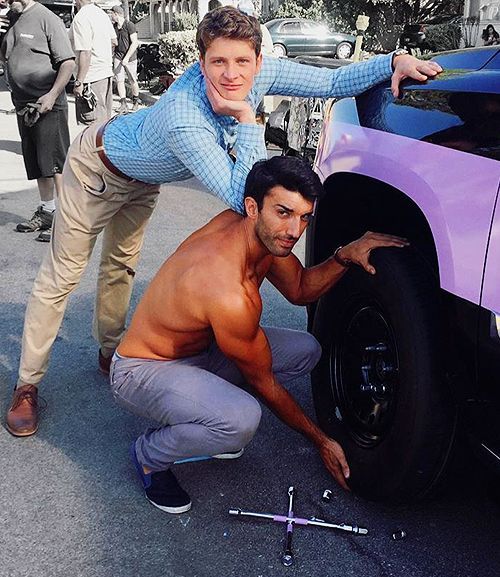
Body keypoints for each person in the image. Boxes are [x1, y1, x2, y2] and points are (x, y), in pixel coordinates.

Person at [6, 6, 442, 437]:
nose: (232, 75)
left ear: (258, 59)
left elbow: (329, 80)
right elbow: (245, 197)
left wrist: (392, 63)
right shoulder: (185, 117)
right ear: (201, 62)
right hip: (97, 170)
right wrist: (248, 118)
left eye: (242, 61)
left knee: (120, 266)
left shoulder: (261, 72)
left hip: (142, 179)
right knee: (62, 276)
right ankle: (27, 383)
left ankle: (110, 353)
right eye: (218, 62)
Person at [110, 156, 409, 513]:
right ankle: (150, 456)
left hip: (201, 351)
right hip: (142, 370)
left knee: (306, 350)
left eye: (304, 217)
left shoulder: (261, 237)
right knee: (242, 419)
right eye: (283, 213)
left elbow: (300, 288)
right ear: (252, 207)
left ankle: (209, 412)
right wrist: (322, 441)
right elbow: (265, 382)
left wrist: (344, 255)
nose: (294, 231)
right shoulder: (227, 291)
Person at [0, 0, 74, 243]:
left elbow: (68, 62)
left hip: (48, 104)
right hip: (25, 106)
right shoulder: (12, 18)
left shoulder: (47, 19)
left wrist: (52, 95)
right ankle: (47, 212)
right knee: (37, 164)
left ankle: (65, 222)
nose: (5, 2)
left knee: (55, 165)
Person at [70, 0, 116, 121]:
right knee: (104, 123)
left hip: (91, 77)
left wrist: (79, 82)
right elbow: (113, 41)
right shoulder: (102, 14)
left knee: (92, 125)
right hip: (105, 74)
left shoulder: (81, 17)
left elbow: (85, 52)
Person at [110, 4, 140, 114]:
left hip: (130, 57)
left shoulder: (129, 25)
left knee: (132, 80)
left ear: (116, 14)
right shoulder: (114, 27)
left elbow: (135, 43)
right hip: (118, 56)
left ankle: (135, 101)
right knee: (119, 80)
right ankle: (123, 103)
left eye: (112, 14)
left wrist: (126, 58)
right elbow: (113, 43)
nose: (111, 16)